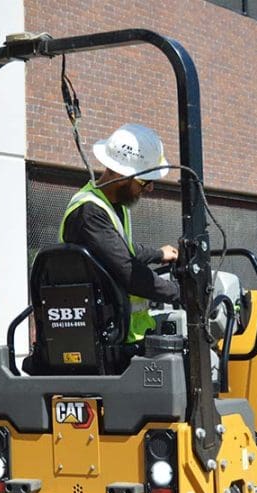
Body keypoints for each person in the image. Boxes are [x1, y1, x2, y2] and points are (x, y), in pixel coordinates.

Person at [58, 123, 181, 342]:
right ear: (120, 175)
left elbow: (123, 252)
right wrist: (181, 294)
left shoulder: (114, 206)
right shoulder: (89, 213)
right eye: (146, 182)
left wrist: (159, 254)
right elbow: (128, 273)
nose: (150, 189)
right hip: (103, 336)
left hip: (120, 331)